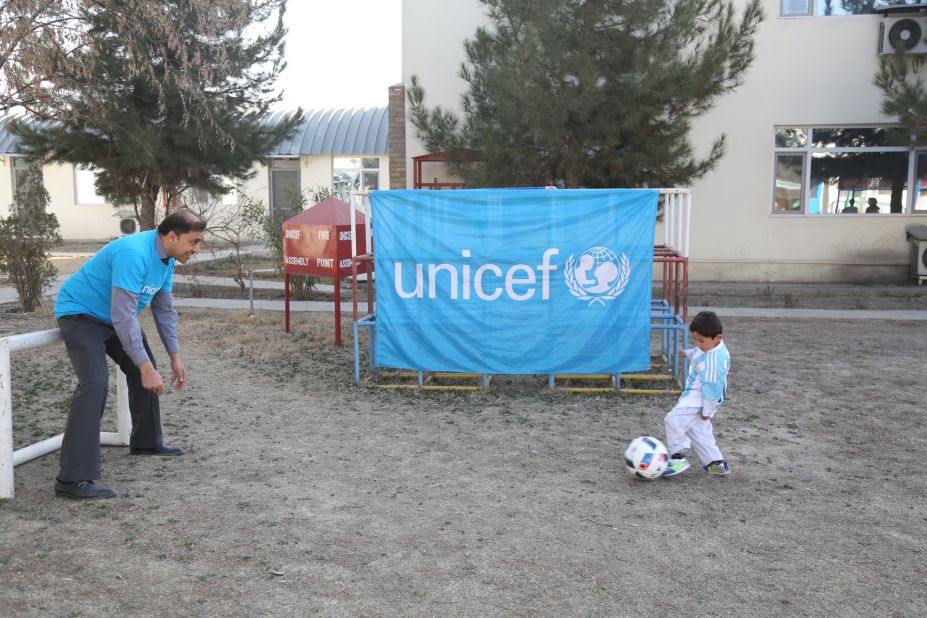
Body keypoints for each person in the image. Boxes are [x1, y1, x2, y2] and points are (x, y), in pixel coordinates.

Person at [52, 209, 206, 499]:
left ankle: (147, 442)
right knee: (95, 384)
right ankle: (72, 480)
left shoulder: (167, 259)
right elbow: (123, 317)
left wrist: (175, 356)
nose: (197, 249)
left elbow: (163, 310)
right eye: (194, 242)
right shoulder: (133, 253)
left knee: (142, 367)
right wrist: (145, 367)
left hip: (113, 319)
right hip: (80, 315)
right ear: (172, 236)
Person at [661, 311, 732, 478]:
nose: (698, 344)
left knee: (672, 420)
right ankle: (716, 463)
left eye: (701, 340)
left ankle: (678, 457)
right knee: (698, 430)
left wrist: (707, 410)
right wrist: (687, 352)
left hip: (700, 398)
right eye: (695, 339)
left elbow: (713, 387)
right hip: (698, 396)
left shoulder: (715, 361)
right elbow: (700, 352)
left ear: (717, 338)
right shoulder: (710, 346)